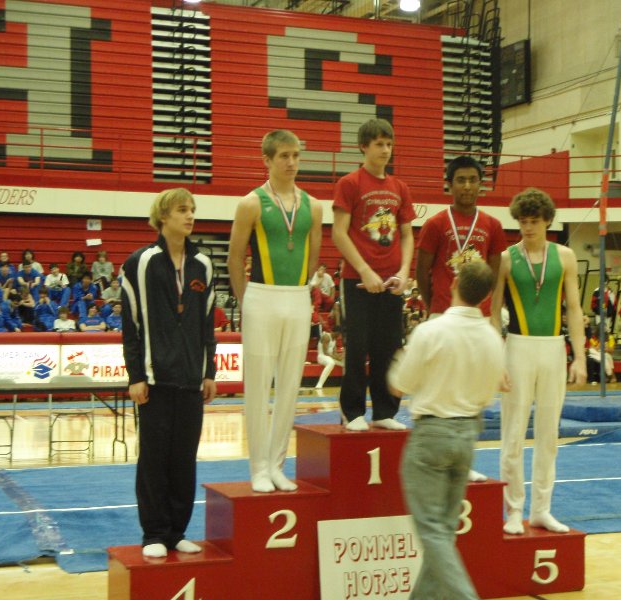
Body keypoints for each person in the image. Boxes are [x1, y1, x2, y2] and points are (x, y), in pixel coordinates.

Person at [390, 261, 503, 600]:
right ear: (486, 297)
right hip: (468, 435)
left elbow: (399, 386)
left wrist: (401, 358)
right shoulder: (492, 337)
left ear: (453, 282)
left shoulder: (430, 330)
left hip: (432, 436)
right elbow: (488, 394)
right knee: (442, 533)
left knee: (433, 532)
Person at [121, 187, 217, 558]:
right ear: (163, 216)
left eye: (192, 209)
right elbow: (132, 324)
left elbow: (207, 324)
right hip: (155, 378)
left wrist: (208, 371)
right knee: (154, 458)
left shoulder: (204, 265)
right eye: (182, 210)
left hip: (192, 379)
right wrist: (135, 375)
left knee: (184, 459)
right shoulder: (141, 262)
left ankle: (177, 532)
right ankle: (154, 535)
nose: (190, 215)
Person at [227, 130, 322, 493]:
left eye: (296, 155)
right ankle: (258, 467)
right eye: (283, 155)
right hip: (260, 297)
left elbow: (313, 257)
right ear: (267, 160)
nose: (291, 162)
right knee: (258, 385)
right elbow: (236, 257)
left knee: (289, 387)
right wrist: (246, 299)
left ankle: (279, 464)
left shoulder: (313, 206)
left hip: (298, 296)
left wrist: (301, 292)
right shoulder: (250, 203)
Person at [491, 188, 586, 535]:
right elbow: (493, 312)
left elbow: (574, 309)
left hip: (553, 349)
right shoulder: (505, 259)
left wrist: (579, 357)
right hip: (516, 347)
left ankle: (542, 509)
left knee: (549, 433)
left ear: (548, 221)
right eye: (522, 222)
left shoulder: (565, 257)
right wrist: (495, 359)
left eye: (534, 222)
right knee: (512, 432)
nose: (528, 228)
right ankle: (514, 510)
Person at [331, 118, 415, 432]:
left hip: (391, 280)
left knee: (388, 345)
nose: (385, 150)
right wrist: (364, 270)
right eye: (379, 144)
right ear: (364, 147)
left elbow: (407, 234)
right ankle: (351, 412)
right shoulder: (350, 183)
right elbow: (340, 233)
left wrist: (405, 271)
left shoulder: (399, 188)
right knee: (358, 346)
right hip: (357, 279)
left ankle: (383, 410)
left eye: (389, 144)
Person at [416, 155, 506, 318]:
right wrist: (434, 308)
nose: (467, 186)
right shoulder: (434, 224)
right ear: (449, 185)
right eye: (461, 180)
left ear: (480, 184)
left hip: (480, 314)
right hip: (443, 312)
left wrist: (485, 304)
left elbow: (494, 276)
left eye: (473, 180)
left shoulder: (494, 225)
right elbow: (421, 272)